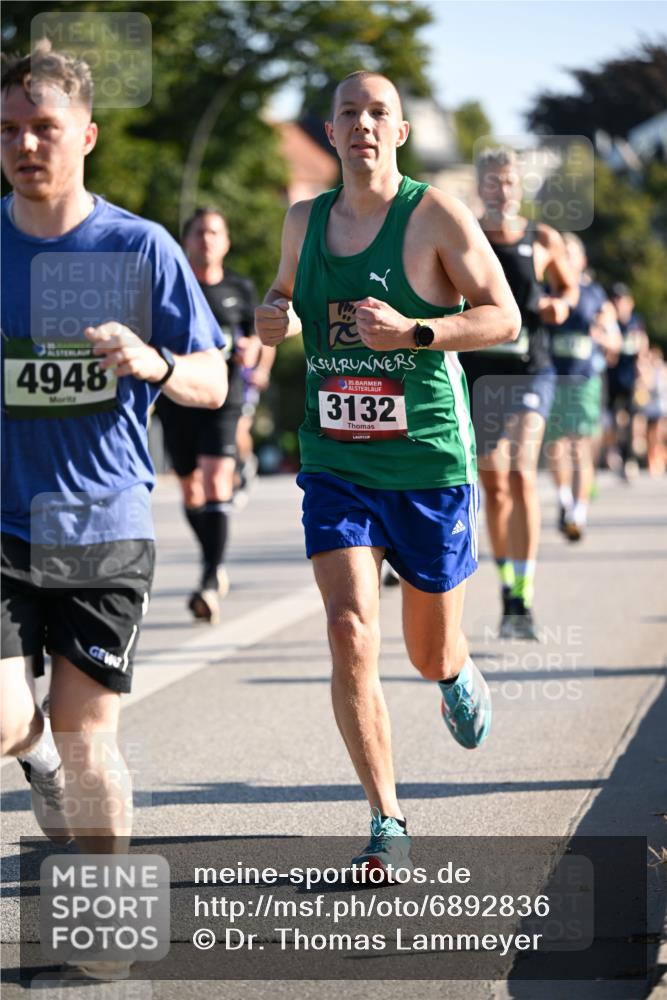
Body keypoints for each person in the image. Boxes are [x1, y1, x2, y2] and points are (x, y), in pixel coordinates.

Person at [255, 71, 520, 875]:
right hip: (335, 459)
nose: (362, 125)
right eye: (348, 114)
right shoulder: (303, 220)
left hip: (426, 462)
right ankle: (387, 820)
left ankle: (454, 671)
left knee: (426, 652)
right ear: (329, 132)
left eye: (378, 114)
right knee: (347, 631)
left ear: (398, 133)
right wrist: (274, 314)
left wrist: (413, 333)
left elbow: (500, 314)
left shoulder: (432, 214)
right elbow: (281, 300)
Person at [0, 38, 226, 952]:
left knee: (92, 739)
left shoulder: (139, 246)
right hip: (3, 519)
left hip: (101, 524)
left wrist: (155, 361)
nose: (24, 145)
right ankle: (34, 751)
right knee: (11, 719)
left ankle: (107, 929)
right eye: (9, 130)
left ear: (86, 134)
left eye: (43, 128)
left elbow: (213, 378)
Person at [460, 148, 578, 640]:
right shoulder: (464, 236)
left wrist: (557, 305)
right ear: (480, 187)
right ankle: (509, 591)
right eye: (491, 181)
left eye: (508, 181)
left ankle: (524, 593)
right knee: (495, 483)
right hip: (480, 372)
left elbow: (568, 289)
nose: (501, 190)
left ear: (519, 187)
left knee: (521, 471)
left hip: (532, 371)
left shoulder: (542, 238)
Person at [155, 207, 260, 622]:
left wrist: (252, 351)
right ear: (186, 241)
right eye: (199, 233)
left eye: (215, 232)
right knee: (191, 491)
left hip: (223, 395)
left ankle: (211, 575)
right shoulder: (170, 285)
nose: (207, 240)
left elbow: (254, 337)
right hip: (178, 395)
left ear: (226, 241)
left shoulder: (240, 287)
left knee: (217, 479)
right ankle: (211, 557)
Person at [544, 234, 621, 541]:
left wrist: (605, 338)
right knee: (555, 446)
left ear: (582, 260)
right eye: (560, 252)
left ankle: (579, 513)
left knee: (578, 446)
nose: (564, 257)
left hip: (583, 380)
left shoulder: (595, 295)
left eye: (570, 253)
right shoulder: (547, 290)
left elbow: (614, 339)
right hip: (550, 378)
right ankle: (564, 500)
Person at [605, 283, 648, 480]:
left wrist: (642, 369)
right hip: (612, 377)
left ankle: (629, 457)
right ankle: (615, 451)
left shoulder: (635, 322)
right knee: (614, 418)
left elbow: (642, 347)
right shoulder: (609, 322)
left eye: (621, 300)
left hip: (630, 378)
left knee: (632, 418)